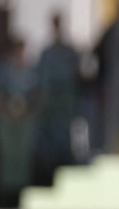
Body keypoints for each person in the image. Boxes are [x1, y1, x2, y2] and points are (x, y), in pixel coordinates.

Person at [0, 36, 43, 207]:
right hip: (6, 119)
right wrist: (6, 110)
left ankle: (21, 197)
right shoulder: (4, 71)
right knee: (7, 158)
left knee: (22, 159)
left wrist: (28, 112)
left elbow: (40, 95)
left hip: (25, 120)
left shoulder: (32, 72)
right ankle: (4, 199)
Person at [35, 11, 85, 182]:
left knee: (66, 135)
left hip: (66, 100)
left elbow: (78, 74)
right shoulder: (46, 53)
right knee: (49, 138)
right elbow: (40, 78)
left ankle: (67, 168)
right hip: (50, 101)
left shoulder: (70, 52)